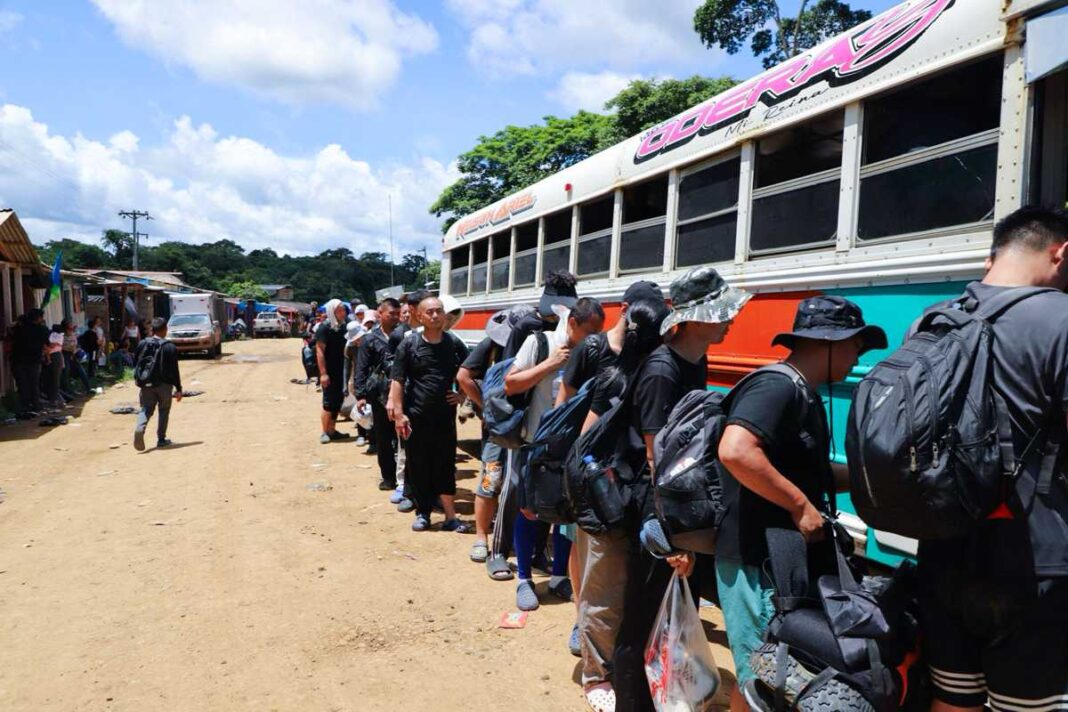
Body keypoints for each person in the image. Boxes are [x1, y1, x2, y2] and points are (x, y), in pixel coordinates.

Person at [667, 294, 883, 712]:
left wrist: (867, 480)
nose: (857, 357)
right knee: (763, 674)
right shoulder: (776, 385)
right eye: (856, 345)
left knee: (773, 667)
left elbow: (808, 472)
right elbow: (736, 451)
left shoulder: (803, 392)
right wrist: (801, 505)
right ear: (828, 342)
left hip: (778, 557)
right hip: (755, 557)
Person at [902, 207, 1068, 712]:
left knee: (953, 701)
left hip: (944, 550)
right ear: (1061, 253)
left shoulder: (930, 321)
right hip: (1034, 560)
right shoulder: (1061, 319)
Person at [613, 266, 752, 712]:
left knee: (669, 611)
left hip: (678, 505)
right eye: (722, 313)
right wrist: (667, 533)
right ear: (695, 319)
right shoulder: (662, 370)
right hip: (657, 507)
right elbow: (657, 460)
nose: (730, 320)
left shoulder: (695, 360)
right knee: (643, 613)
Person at [571, 297, 670, 707]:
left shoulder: (649, 373)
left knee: (611, 588)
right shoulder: (627, 376)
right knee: (605, 589)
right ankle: (596, 676)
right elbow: (586, 438)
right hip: (608, 498)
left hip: (626, 497)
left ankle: (613, 668)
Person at [504, 297, 605, 611]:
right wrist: (551, 364)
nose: (595, 337)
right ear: (573, 323)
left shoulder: (593, 352)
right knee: (529, 510)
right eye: (590, 331)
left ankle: (560, 576)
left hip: (571, 450)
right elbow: (510, 384)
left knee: (566, 513)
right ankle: (524, 578)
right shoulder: (540, 342)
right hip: (535, 444)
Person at [456, 305, 535, 572]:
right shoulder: (491, 345)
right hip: (498, 429)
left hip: (527, 426)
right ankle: (481, 537)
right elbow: (464, 376)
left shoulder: (539, 345)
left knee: (520, 484)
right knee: (491, 479)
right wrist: (486, 409)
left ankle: (519, 540)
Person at [387, 295, 470, 532]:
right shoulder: (409, 344)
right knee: (419, 465)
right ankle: (423, 513)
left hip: (445, 418)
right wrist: (399, 413)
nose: (435, 315)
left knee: (445, 465)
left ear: (444, 315)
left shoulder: (453, 344)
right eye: (430, 312)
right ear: (419, 316)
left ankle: (451, 517)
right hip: (416, 417)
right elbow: (398, 379)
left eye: (439, 311)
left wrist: (462, 395)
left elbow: (469, 371)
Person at [355, 298, 402, 492]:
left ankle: (405, 477)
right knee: (383, 437)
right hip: (379, 395)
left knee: (403, 436)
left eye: (398, 314)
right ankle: (388, 478)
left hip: (402, 393)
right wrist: (361, 395)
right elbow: (361, 367)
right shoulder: (369, 339)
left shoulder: (404, 335)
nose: (396, 318)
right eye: (392, 314)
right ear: (379, 314)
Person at [132, 317, 184, 451]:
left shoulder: (142, 343)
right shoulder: (170, 347)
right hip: (164, 386)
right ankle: (161, 439)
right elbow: (174, 370)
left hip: (146, 383)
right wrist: (178, 388)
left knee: (146, 409)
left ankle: (140, 428)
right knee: (164, 410)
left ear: (152, 329)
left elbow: (135, 363)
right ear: (165, 329)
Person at [316, 299, 351, 444]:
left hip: (342, 370)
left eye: (344, 310)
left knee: (338, 401)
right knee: (328, 402)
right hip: (329, 370)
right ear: (332, 312)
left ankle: (332, 430)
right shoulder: (324, 328)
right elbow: (319, 351)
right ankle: (324, 431)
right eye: (340, 310)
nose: (344, 313)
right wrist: (323, 373)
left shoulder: (345, 326)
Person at [11, 309, 48, 417]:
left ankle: (24, 407)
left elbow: (12, 335)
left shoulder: (20, 329)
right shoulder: (41, 329)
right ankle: (36, 406)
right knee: (34, 384)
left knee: (22, 385)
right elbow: (47, 341)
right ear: (38, 318)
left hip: (18, 360)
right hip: (34, 360)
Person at [61, 319, 92, 395]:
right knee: (66, 372)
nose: (72, 327)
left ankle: (88, 388)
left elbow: (76, 345)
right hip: (65, 356)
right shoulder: (62, 336)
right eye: (70, 326)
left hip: (73, 355)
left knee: (81, 371)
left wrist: (76, 350)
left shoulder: (73, 335)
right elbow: (61, 348)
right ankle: (67, 391)